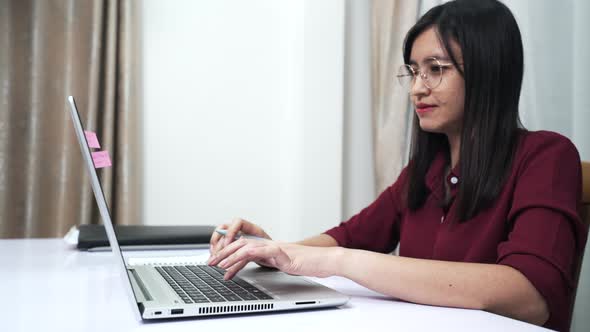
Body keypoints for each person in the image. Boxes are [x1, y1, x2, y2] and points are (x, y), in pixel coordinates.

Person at [207, 0, 588, 330]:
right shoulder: (426, 172)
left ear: (488, 70)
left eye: (436, 69)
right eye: (413, 70)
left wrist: (335, 261)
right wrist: (272, 251)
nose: (417, 88)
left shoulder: (547, 157)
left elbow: (530, 296)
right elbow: (348, 237)